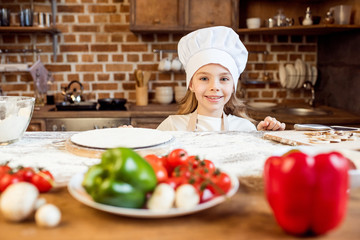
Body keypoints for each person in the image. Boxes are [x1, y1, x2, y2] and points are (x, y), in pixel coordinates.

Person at [157, 26, 285, 132]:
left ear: (233, 85)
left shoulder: (245, 129)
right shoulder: (172, 126)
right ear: (191, 84)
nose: (215, 87)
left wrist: (264, 139)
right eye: (204, 78)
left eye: (224, 79)